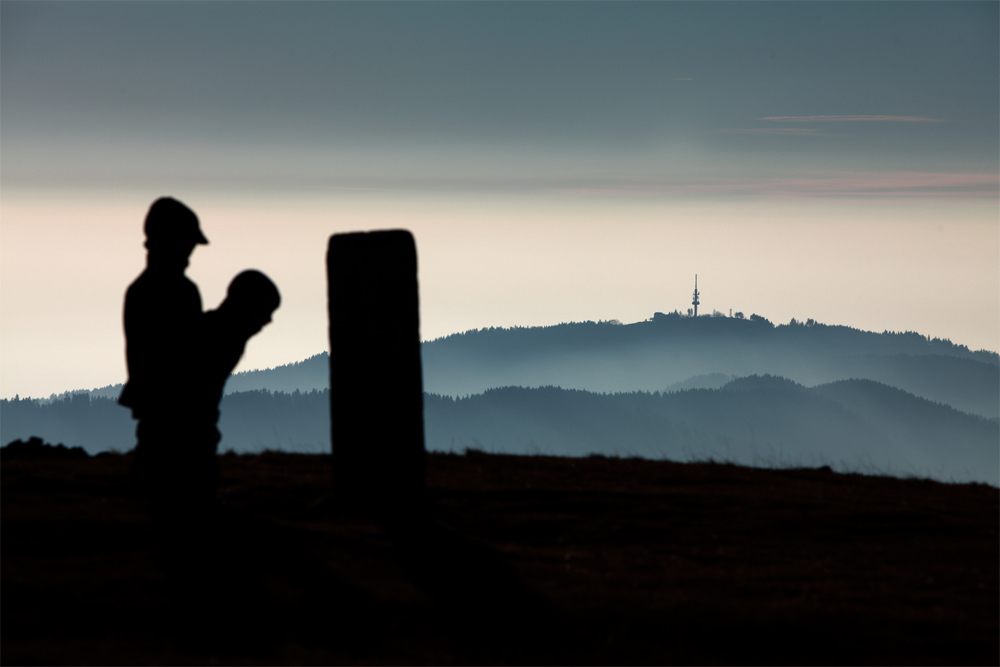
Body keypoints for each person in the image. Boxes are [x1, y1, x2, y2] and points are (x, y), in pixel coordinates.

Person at [120, 197, 212, 519]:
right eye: (188, 243)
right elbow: (184, 352)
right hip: (173, 404)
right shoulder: (181, 291)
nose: (191, 251)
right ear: (175, 242)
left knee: (153, 472)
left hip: (155, 402)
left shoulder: (139, 290)